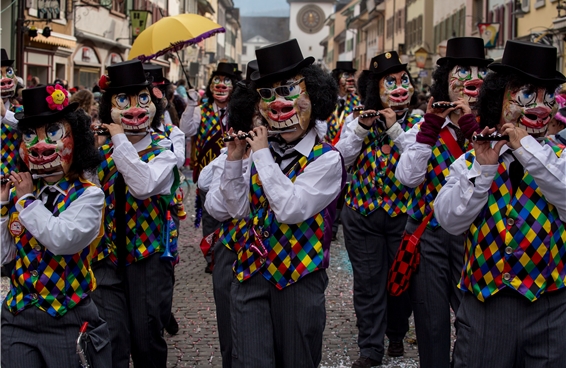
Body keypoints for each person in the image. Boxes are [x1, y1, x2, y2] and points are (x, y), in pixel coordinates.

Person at [434, 40, 566, 368]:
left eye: (547, 96)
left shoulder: (561, 158)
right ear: (499, 98)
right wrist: (484, 168)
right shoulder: (472, 160)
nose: (541, 105)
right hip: (485, 308)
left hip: (551, 309)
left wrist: (528, 152)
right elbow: (450, 221)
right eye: (527, 93)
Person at [220, 39, 343, 368]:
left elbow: (290, 209)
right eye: (268, 94)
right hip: (250, 275)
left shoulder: (327, 160)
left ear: (313, 96)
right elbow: (236, 211)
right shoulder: (259, 151)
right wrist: (234, 160)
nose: (279, 102)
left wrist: (260, 154)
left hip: (298, 278)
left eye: (289, 90)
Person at [394, 37, 491, 368]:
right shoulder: (423, 128)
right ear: (445, 79)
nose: (470, 80)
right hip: (430, 238)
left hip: (481, 240)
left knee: (476, 320)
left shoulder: (495, 129)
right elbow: (407, 177)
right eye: (462, 71)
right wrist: (432, 125)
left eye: (479, 73)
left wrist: (471, 123)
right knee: (431, 321)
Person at [1, 85, 111, 367]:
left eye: (52, 132)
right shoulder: (20, 193)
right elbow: (4, 256)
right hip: (18, 319)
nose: (39, 144)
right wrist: (3, 209)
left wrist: (26, 201)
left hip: (68, 319)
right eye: (30, 135)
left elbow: (63, 239)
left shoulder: (89, 195)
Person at [91, 59, 179, 368]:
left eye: (141, 98)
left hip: (148, 260)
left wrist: (117, 139)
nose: (133, 108)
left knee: (146, 340)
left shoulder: (165, 152)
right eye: (123, 100)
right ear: (109, 107)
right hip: (106, 262)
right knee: (112, 338)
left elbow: (142, 184)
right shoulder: (99, 156)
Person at [335, 51, 420, 367]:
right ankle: (370, 348)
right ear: (376, 87)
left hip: (404, 217)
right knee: (369, 284)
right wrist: (360, 128)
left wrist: (395, 128)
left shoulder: (420, 120)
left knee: (401, 281)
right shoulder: (354, 118)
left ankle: (396, 332)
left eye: (404, 81)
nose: (400, 87)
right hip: (361, 215)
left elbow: (418, 161)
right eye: (391, 82)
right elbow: (339, 159)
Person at [202, 59, 259, 368]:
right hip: (232, 249)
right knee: (231, 336)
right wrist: (233, 160)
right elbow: (215, 206)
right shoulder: (234, 148)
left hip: (283, 258)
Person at [179, 62, 239, 271]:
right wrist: (191, 104)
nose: (221, 85)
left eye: (226, 82)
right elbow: (186, 130)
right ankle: (212, 256)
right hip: (208, 174)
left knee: (232, 213)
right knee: (210, 216)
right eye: (217, 81)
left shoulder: (238, 111)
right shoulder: (200, 111)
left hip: (233, 170)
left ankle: (230, 253)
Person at [1, 48, 23, 176]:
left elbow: (26, 128)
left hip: (12, 179)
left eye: (8, 72)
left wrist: (5, 113)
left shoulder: (20, 111)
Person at [326, 61, 360, 143]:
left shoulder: (357, 101)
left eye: (352, 75)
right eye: (346, 75)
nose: (351, 79)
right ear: (337, 78)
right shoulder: (327, 100)